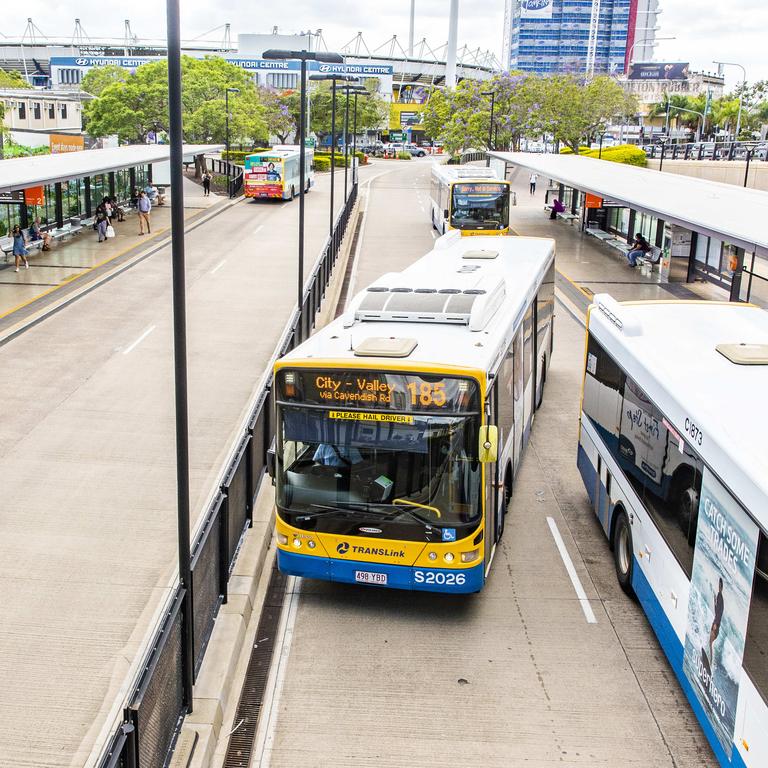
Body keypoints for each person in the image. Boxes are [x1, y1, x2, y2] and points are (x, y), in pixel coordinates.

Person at [708, 578, 725, 667]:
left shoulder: (721, 598)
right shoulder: (719, 595)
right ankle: (710, 660)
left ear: (721, 587)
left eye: (720, 585)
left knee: (710, 644)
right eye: (719, 584)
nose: (719, 586)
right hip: (715, 623)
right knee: (710, 644)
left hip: (716, 625)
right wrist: (715, 602)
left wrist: (716, 624)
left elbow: (719, 613)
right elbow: (717, 611)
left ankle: (711, 662)